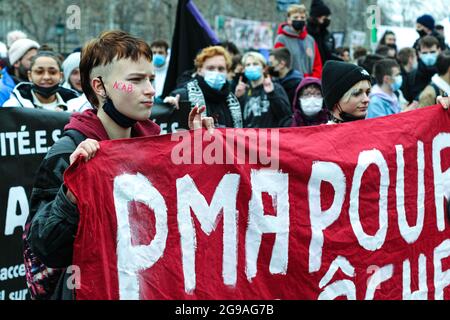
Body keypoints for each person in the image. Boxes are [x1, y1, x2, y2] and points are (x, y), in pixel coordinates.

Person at [24, 30, 215, 300]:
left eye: (150, 78)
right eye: (135, 80)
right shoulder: (67, 153)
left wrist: (200, 156)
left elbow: (184, 223)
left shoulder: (155, 144)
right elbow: (45, 247)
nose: (150, 89)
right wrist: (72, 191)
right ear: (100, 87)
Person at [322, 60, 449, 125]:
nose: (367, 99)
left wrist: (438, 113)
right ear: (336, 99)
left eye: (367, 92)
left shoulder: (368, 131)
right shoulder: (321, 141)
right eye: (357, 93)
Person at [164, 46, 242, 128]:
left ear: (227, 71)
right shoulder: (183, 96)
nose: (216, 72)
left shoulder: (232, 100)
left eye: (221, 69)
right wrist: (167, 106)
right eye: (210, 68)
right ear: (199, 70)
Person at [3, 51, 79, 110]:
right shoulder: (13, 107)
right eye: (39, 72)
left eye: (52, 72)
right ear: (30, 75)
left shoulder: (76, 106)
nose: (46, 77)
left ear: (61, 76)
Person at [235, 51, 292, 128]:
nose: (251, 67)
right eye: (248, 65)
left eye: (255, 64)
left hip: (270, 138)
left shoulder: (275, 88)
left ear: (264, 69)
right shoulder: (243, 91)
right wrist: (238, 99)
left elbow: (286, 116)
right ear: (244, 70)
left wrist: (272, 94)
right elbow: (238, 121)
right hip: (249, 138)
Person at [274, 4, 322, 78]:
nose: (299, 20)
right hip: (289, 82)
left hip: (309, 84)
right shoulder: (281, 39)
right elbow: (277, 64)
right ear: (289, 20)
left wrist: (313, 79)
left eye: (302, 17)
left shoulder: (310, 40)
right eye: (296, 17)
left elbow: (317, 64)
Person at [0, 38, 40, 105]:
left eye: (38, 59)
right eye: (32, 59)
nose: (37, 63)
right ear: (16, 63)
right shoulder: (2, 91)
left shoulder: (42, 86)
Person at [413, 35, 441, 100]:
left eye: (432, 52)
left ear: (439, 51)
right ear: (419, 53)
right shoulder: (412, 75)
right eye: (425, 53)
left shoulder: (446, 72)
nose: (429, 56)